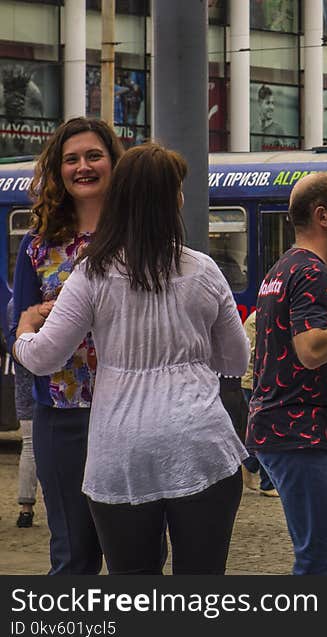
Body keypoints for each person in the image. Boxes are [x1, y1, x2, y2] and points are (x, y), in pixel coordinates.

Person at [14, 143, 250, 575]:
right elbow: (236, 360)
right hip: (201, 444)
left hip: (121, 451)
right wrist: (192, 356)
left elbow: (45, 357)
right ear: (174, 200)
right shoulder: (203, 269)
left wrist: (23, 331)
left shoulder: (92, 272)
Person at [8, 116, 124, 574]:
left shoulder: (136, 238)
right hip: (61, 416)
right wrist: (31, 320)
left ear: (114, 163)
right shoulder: (38, 247)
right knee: (73, 555)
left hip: (130, 411)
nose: (83, 167)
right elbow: (16, 323)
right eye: (70, 159)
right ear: (57, 171)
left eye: (94, 156)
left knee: (134, 557)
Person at [246, 171, 327, 575]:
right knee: (322, 557)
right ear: (322, 216)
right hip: (299, 430)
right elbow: (312, 348)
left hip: (295, 430)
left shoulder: (284, 269)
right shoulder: (312, 272)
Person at [239, 309, 277, 497]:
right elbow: (258, 352)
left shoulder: (258, 315)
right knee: (264, 431)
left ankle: (249, 464)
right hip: (255, 381)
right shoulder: (261, 317)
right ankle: (267, 483)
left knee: (259, 429)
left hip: (253, 380)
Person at [7, 298, 37, 528]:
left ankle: (26, 510)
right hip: (51, 387)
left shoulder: (13, 306)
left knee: (29, 446)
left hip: (25, 386)